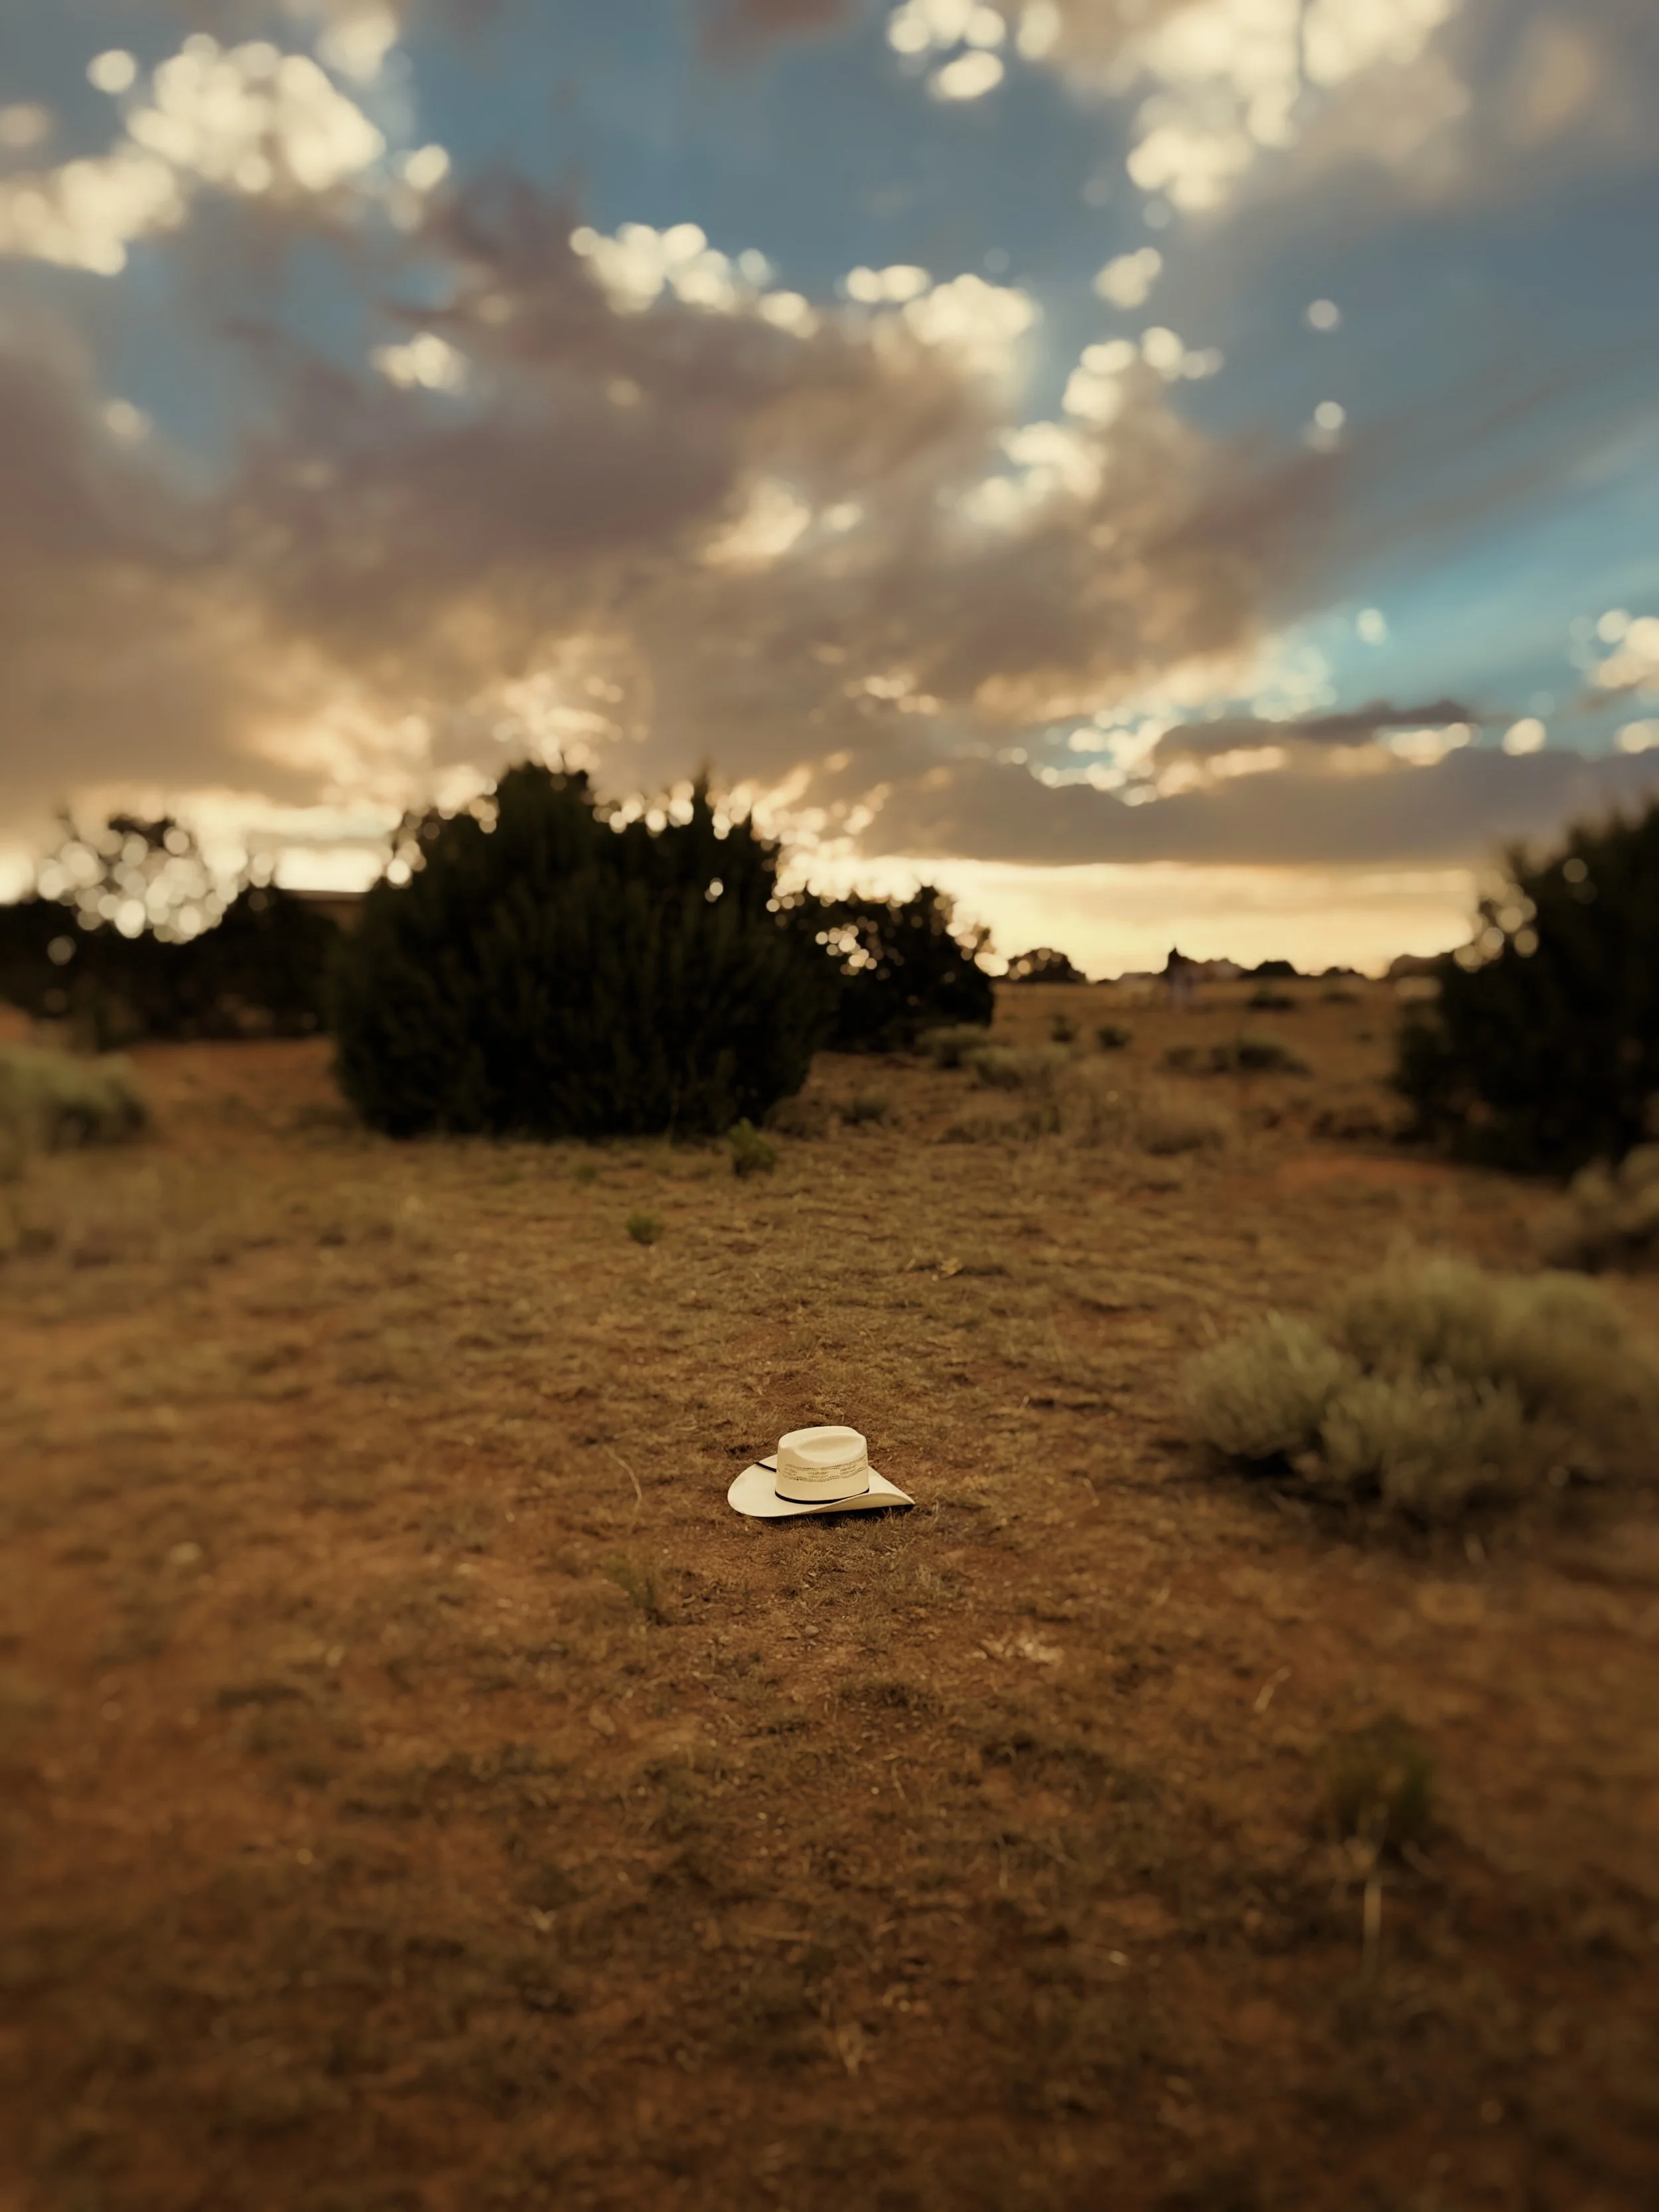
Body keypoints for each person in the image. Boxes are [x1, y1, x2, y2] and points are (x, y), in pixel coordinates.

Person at [1163, 944, 1196, 1011]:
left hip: (1174, 975)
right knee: (1176, 991)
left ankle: (1178, 1007)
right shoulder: (1175, 958)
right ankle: (1178, 1007)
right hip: (1175, 975)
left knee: (1176, 991)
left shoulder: (1173, 956)